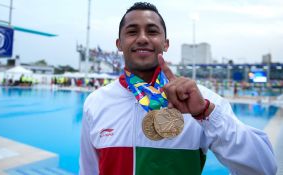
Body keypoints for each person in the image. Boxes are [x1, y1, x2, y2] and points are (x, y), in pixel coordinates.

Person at [79, 2, 277, 175]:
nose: (142, 38)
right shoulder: (96, 103)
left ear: (165, 44)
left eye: (152, 31)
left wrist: (205, 113)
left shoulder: (200, 100)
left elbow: (264, 168)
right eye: (132, 32)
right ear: (119, 44)